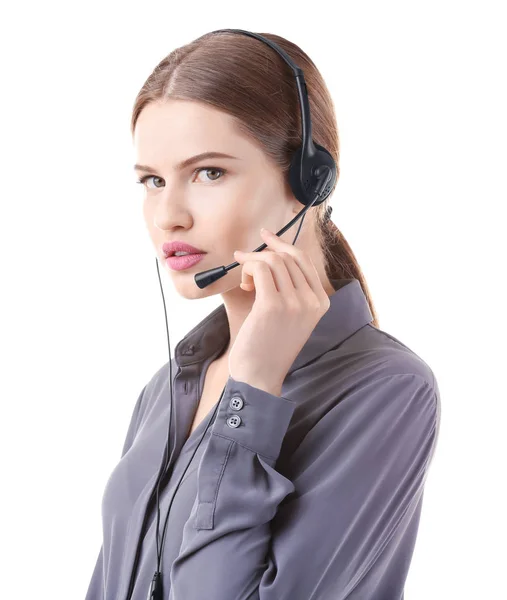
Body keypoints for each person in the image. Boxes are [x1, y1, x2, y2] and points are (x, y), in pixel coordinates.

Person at [85, 30, 441, 600]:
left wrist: (252, 390)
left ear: (309, 179)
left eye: (208, 173)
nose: (168, 216)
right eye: (152, 180)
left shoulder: (387, 389)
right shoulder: (172, 387)